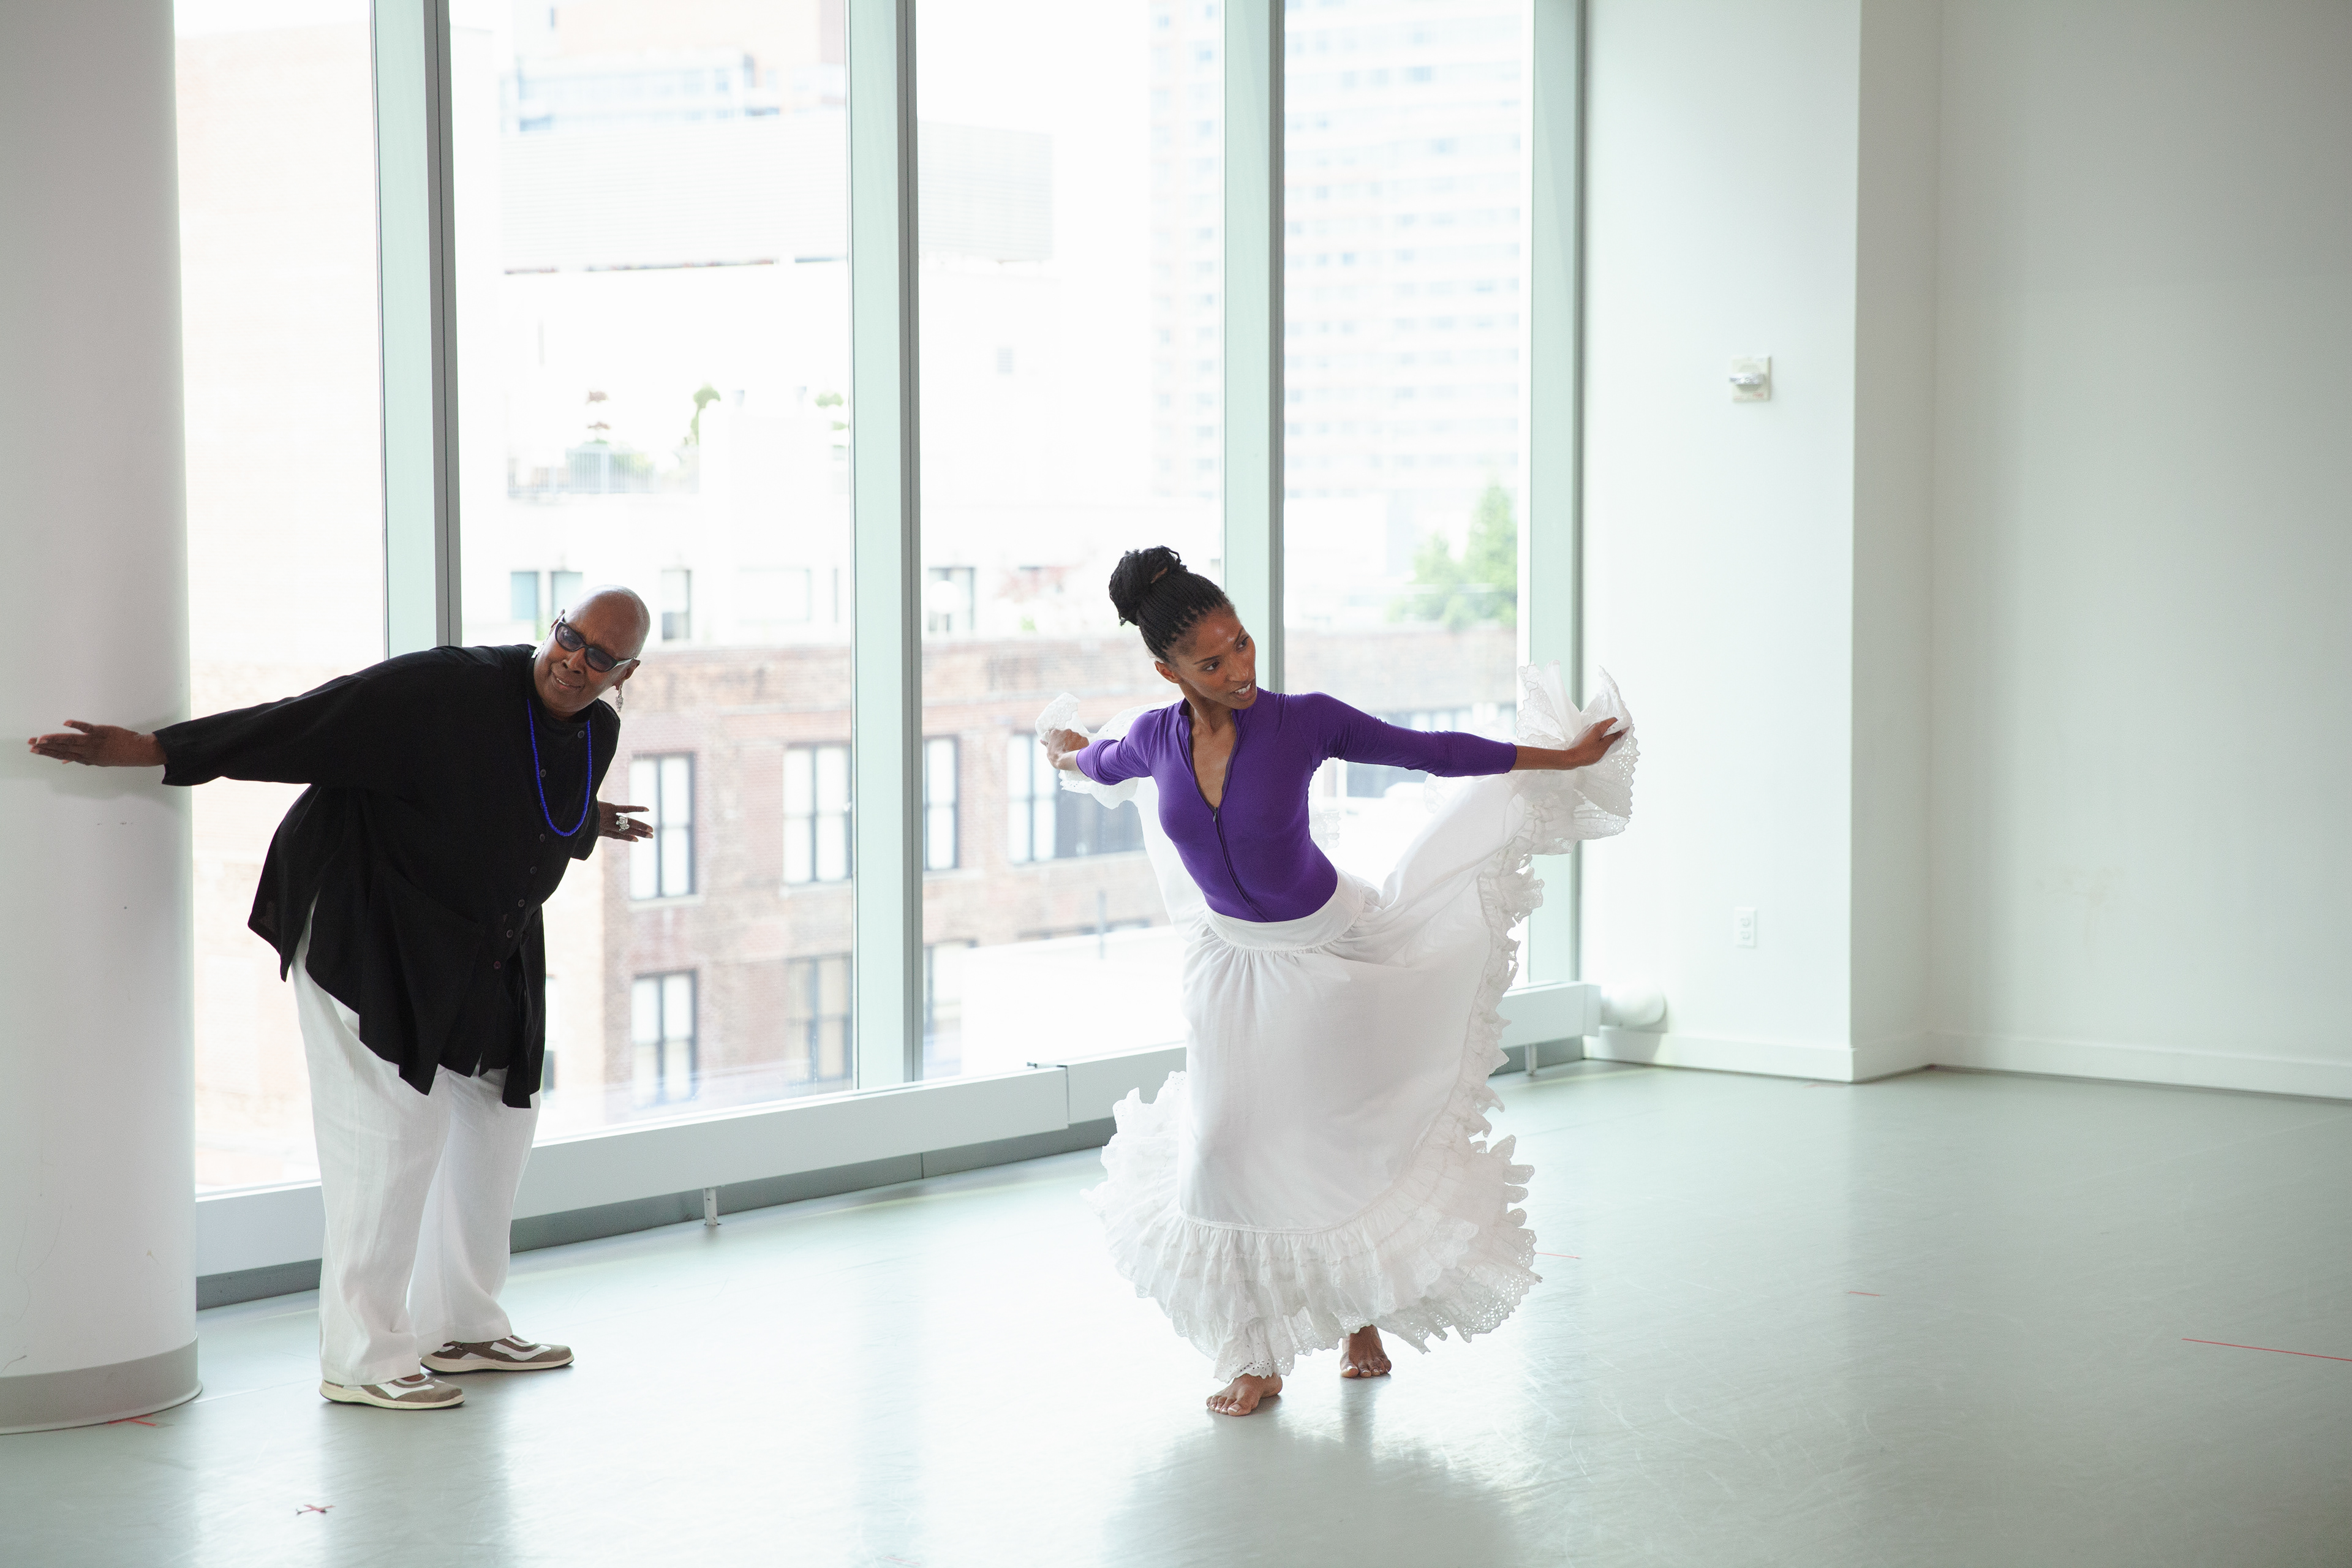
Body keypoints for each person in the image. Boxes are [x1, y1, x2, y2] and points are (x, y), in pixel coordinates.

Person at [26, 589, 655, 1412]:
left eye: (601, 657)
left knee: (500, 1120)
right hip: (370, 917)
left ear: (624, 674)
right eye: (571, 637)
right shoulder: (445, 689)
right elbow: (304, 723)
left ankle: (461, 1325)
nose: (576, 661)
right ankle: (362, 1355)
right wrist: (155, 750)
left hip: (481, 942)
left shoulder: (597, 731)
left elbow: (524, 803)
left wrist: (588, 821)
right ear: (555, 624)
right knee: (392, 1130)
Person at [1041, 548, 1635, 1416]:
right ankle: (1255, 1355)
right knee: (1221, 1153)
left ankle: (1360, 1316)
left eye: (1242, 644)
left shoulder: (1302, 723)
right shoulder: (1152, 739)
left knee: (1338, 1138)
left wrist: (1562, 757)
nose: (1239, 670)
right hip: (1229, 964)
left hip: (1333, 949)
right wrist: (1067, 756)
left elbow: (1431, 750)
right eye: (1212, 662)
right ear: (1170, 672)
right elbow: (1097, 764)